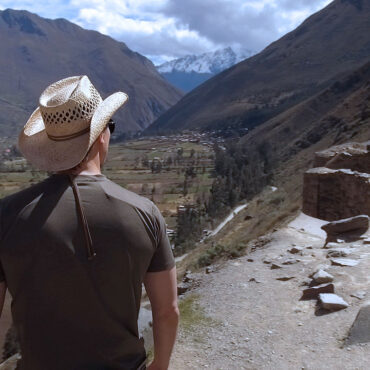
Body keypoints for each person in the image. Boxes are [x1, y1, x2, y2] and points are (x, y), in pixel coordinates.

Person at [0, 76, 179, 370]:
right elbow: (167, 311)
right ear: (101, 136)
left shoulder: (7, 215)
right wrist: (160, 364)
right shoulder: (144, 212)